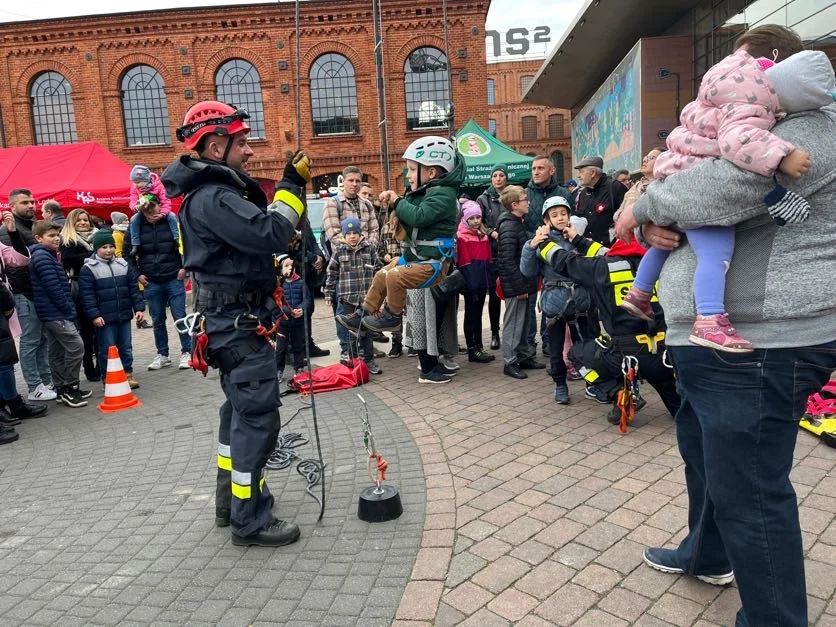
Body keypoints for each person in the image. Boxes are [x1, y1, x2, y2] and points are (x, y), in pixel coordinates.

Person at [614, 26, 836, 626]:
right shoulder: (746, 122)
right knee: (704, 455)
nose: (731, 85)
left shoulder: (809, 128)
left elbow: (721, 188)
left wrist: (648, 205)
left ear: (777, 72)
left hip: (759, 342)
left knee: (752, 494)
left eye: (746, 69)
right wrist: (649, 210)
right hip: (710, 339)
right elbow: (665, 193)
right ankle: (706, 553)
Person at [161, 99, 306, 547]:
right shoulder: (215, 197)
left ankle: (232, 504)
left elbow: (253, 244)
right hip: (238, 328)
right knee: (257, 419)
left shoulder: (209, 196)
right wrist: (291, 184)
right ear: (215, 145)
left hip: (231, 324)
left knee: (238, 416)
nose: (248, 151)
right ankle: (251, 521)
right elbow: (271, 232)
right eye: (241, 143)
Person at [620, 48, 830, 353]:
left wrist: (647, 211)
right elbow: (736, 153)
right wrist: (780, 155)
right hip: (708, 337)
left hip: (772, 336)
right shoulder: (752, 106)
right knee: (715, 254)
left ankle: (639, 292)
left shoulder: (715, 104)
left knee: (672, 239)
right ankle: (709, 318)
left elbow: (706, 192)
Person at [339, 136, 462, 383]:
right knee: (384, 272)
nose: (407, 174)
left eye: (412, 168)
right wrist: (392, 201)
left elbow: (419, 217)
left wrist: (397, 200)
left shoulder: (444, 195)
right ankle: (363, 313)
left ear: (432, 171)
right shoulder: (426, 191)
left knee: (395, 277)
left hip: (434, 264)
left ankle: (392, 316)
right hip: (417, 258)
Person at [534, 226, 680, 422]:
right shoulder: (660, 262)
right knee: (679, 410)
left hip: (625, 356)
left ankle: (618, 392)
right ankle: (681, 408)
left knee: (577, 354)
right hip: (664, 356)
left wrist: (543, 242)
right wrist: (578, 239)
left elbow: (566, 262)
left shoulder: (603, 267)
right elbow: (606, 252)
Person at [521, 196, 589, 404]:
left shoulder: (577, 237)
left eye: (563, 213)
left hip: (580, 300)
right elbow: (528, 271)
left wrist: (577, 240)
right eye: (554, 215)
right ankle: (560, 384)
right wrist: (531, 247)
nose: (560, 218)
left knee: (587, 345)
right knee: (556, 348)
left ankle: (593, 383)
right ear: (547, 220)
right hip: (555, 302)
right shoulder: (541, 242)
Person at [122, 193, 191, 371]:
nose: (151, 211)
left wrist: (185, 267)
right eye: (146, 208)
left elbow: (188, 244)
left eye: (154, 206)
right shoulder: (135, 226)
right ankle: (163, 354)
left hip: (173, 277)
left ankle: (187, 351)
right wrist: (137, 275)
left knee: (180, 316)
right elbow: (126, 253)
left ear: (161, 205)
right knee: (157, 319)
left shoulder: (171, 222)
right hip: (151, 280)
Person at [28, 221, 91, 408]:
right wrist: (68, 309)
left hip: (53, 312)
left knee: (56, 351)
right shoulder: (43, 258)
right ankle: (70, 387)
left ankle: (62, 389)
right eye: (51, 236)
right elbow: (54, 289)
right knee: (76, 347)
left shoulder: (48, 256)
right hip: (55, 313)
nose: (56, 238)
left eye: (57, 235)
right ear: (39, 238)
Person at [0, 189, 54, 402]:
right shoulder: (6, 230)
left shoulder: (31, 226)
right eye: (25, 202)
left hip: (35, 291)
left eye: (32, 201)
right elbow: (15, 267)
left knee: (41, 339)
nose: (31, 205)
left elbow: (24, 258)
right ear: (12, 207)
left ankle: (45, 380)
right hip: (23, 293)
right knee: (31, 340)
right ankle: (34, 386)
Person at [79, 230, 145, 389]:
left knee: (126, 347)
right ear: (96, 249)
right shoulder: (88, 269)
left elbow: (133, 289)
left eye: (111, 246)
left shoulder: (123, 265)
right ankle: (108, 378)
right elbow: (87, 295)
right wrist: (94, 315)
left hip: (123, 314)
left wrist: (139, 308)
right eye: (104, 247)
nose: (108, 250)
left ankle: (127, 374)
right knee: (107, 349)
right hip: (104, 319)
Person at [496, 185, 544, 379]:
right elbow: (507, 260)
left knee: (523, 323)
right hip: (516, 286)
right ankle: (510, 361)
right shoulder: (509, 225)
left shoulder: (516, 222)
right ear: (515, 205)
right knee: (514, 323)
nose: (528, 202)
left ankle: (523, 356)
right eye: (525, 200)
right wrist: (519, 288)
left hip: (521, 284)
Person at [526, 156, 572, 357]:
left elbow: (572, 220)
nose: (535, 172)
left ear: (552, 171)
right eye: (533, 168)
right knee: (531, 300)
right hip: (535, 248)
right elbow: (522, 224)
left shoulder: (563, 194)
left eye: (540, 168)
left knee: (555, 295)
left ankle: (550, 342)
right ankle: (530, 343)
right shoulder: (525, 193)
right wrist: (536, 241)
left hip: (560, 251)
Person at [324, 218, 381, 374]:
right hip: (347, 298)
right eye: (348, 233)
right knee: (351, 332)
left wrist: (381, 293)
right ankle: (355, 362)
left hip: (366, 298)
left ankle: (369, 361)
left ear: (360, 233)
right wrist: (328, 292)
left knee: (367, 329)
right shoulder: (339, 250)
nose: (352, 236)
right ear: (344, 235)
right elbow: (332, 273)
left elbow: (379, 271)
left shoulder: (369, 249)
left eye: (355, 232)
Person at [60, 209, 100, 382]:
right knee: (86, 331)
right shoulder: (68, 240)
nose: (83, 223)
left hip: (99, 287)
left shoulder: (98, 236)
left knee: (100, 329)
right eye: (79, 220)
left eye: (86, 220)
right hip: (80, 288)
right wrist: (93, 255)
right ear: (72, 223)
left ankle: (102, 364)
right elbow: (69, 260)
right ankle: (89, 367)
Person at [456, 200, 495, 364]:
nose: (476, 220)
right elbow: (464, 263)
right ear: (465, 219)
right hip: (471, 283)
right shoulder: (462, 237)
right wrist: (471, 286)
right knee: (471, 316)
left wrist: (489, 281)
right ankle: (472, 349)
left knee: (478, 315)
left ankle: (479, 346)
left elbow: (488, 259)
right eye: (472, 218)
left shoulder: (483, 235)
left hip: (481, 282)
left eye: (478, 217)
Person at [476, 164, 508, 350]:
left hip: (509, 251)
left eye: (501, 175)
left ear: (506, 178)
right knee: (494, 296)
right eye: (494, 175)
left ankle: (513, 335)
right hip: (491, 253)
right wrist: (491, 232)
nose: (497, 178)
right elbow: (477, 222)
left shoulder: (511, 195)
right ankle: (494, 333)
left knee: (512, 294)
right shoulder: (483, 198)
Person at [574, 155, 627, 246]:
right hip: (588, 249)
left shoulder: (615, 188)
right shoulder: (583, 193)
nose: (578, 176)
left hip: (610, 250)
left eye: (581, 172)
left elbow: (627, 218)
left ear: (593, 173)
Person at [273, 254, 310, 379]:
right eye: (286, 266)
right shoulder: (277, 285)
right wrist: (288, 311)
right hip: (282, 322)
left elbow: (307, 299)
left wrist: (302, 309)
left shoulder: (300, 282)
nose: (290, 268)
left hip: (297, 321)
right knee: (280, 348)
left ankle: (299, 368)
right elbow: (276, 303)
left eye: (292, 265)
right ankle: (278, 370)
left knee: (298, 346)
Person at [128, 165, 178, 249]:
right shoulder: (134, 188)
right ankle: (135, 243)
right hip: (143, 210)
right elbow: (132, 200)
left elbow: (166, 200)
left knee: (172, 217)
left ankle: (176, 238)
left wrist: (162, 213)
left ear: (146, 180)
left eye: (138, 182)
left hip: (159, 209)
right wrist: (136, 207)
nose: (136, 185)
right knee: (134, 220)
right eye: (134, 182)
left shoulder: (159, 186)